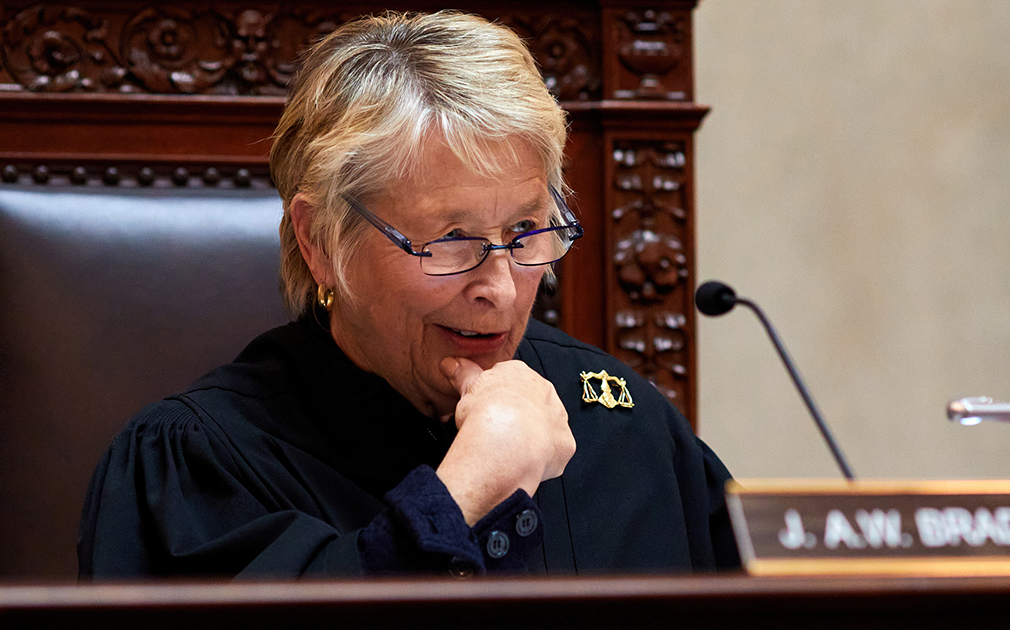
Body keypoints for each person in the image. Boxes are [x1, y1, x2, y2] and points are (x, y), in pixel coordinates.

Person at [78, 10, 738, 579]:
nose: (501, 290)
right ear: (320, 243)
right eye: (451, 240)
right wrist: (467, 493)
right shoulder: (195, 462)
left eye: (526, 231)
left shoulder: (623, 423)